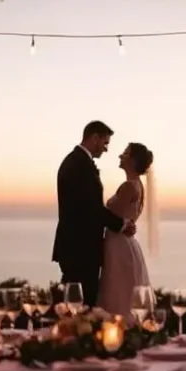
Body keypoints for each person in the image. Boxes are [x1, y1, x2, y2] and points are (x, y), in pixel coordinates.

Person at [52, 121, 137, 307]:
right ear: (95, 137)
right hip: (79, 247)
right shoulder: (79, 165)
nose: (106, 149)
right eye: (105, 143)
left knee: (78, 304)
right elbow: (91, 208)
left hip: (77, 247)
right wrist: (121, 224)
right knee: (80, 304)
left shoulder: (76, 162)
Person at [97, 142, 154, 319]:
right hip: (126, 242)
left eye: (125, 153)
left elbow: (107, 215)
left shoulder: (128, 186)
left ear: (133, 160)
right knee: (126, 289)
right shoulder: (138, 185)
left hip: (118, 243)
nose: (120, 156)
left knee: (117, 290)